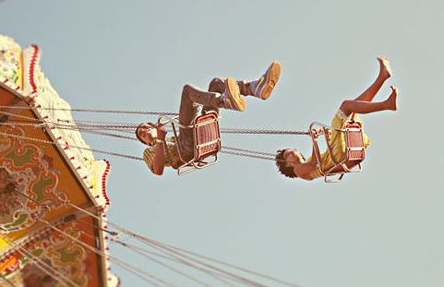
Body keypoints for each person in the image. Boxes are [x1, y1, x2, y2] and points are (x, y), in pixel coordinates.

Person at [136, 67, 280, 175]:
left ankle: (254, 88)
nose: (143, 131)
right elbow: (158, 170)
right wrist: (160, 140)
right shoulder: (149, 151)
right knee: (187, 91)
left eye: (145, 128)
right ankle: (224, 101)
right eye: (141, 134)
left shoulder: (173, 136)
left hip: (199, 135)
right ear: (147, 143)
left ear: (155, 126)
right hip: (186, 149)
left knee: (216, 83)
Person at [275, 58, 397, 180]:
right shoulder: (298, 171)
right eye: (289, 154)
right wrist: (315, 140)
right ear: (288, 164)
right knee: (346, 107)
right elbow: (315, 162)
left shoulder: (305, 166)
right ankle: (386, 103)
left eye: (292, 150)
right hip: (338, 156)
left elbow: (317, 160)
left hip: (339, 153)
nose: (293, 152)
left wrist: (327, 137)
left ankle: (382, 78)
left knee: (353, 108)